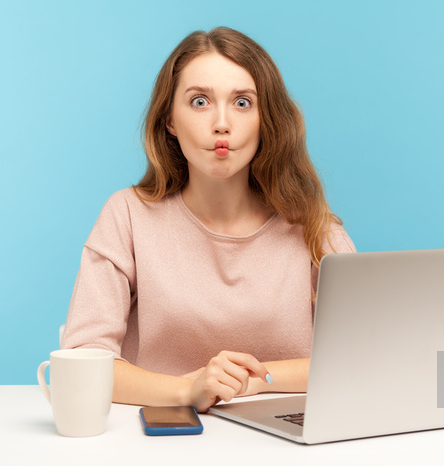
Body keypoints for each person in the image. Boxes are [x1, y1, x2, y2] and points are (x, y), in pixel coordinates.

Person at [61, 26, 356, 413]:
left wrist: (254, 379)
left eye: (242, 103)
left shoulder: (313, 226)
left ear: (266, 119)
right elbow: (85, 360)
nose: (221, 123)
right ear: (169, 120)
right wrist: (188, 391)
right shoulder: (127, 215)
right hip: (160, 438)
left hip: (286, 440)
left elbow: (362, 355)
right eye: (199, 101)